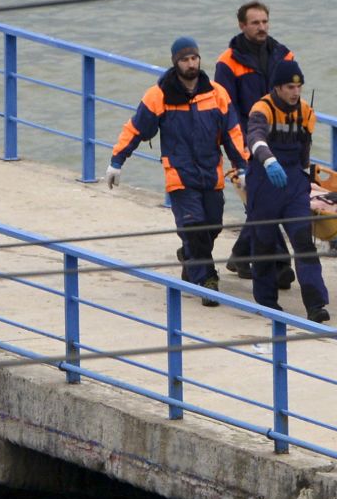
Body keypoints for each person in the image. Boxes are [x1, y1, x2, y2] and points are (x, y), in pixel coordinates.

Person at [105, 36, 248, 307]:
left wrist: (241, 166)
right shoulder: (159, 95)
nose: (191, 64)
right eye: (185, 59)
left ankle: (190, 256)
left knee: (213, 225)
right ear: (175, 62)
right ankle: (207, 281)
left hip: (211, 172)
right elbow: (136, 129)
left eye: (194, 58)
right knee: (194, 226)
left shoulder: (216, 93)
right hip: (179, 174)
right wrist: (117, 160)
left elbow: (232, 133)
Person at [215, 1, 296, 287]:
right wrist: (241, 147)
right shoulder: (228, 62)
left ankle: (241, 254)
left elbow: (292, 97)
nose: (261, 27)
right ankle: (280, 262)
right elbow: (227, 107)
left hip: (281, 142)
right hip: (247, 140)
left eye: (265, 22)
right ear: (242, 26)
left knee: (265, 200)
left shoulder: (283, 55)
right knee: (265, 199)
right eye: (255, 23)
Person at [244, 60, 330, 323]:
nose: (295, 92)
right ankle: (267, 302)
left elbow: (304, 150)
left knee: (304, 242)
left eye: (299, 87)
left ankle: (316, 305)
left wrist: (306, 178)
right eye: (290, 87)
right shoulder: (262, 109)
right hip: (264, 181)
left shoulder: (305, 111)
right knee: (264, 243)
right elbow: (255, 138)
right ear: (277, 88)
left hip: (293, 184)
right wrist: (269, 160)